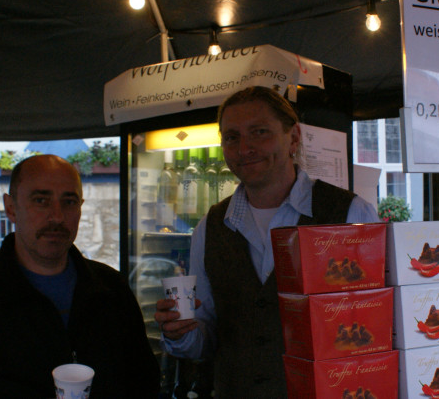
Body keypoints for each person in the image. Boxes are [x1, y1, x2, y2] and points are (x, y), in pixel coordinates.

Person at [155, 86, 379, 398]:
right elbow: (205, 337)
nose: (244, 148)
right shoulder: (211, 227)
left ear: (294, 138)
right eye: (232, 137)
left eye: (260, 132)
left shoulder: (351, 213)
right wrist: (180, 332)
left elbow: (377, 325)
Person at [0, 154, 159, 398]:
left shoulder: (111, 289)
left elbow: (143, 381)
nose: (57, 216)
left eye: (69, 201)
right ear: (11, 208)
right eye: (41, 200)